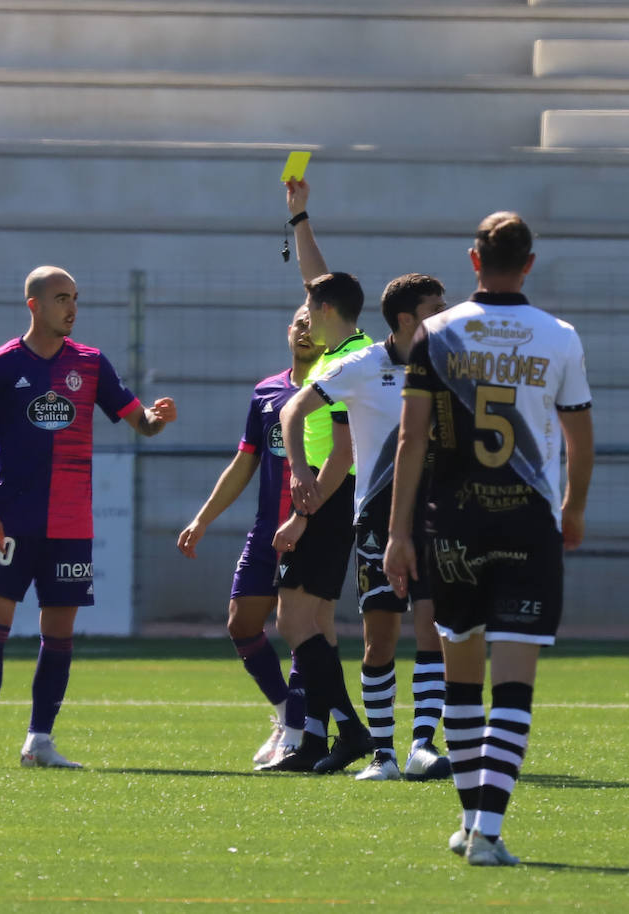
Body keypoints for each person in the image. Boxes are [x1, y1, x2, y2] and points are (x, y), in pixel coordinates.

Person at [384, 213, 594, 865]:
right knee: (515, 683)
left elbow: (411, 439)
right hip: (528, 523)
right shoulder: (558, 336)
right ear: (529, 263)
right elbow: (578, 435)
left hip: (452, 524)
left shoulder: (437, 333)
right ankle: (490, 833)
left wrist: (398, 533)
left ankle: (472, 822)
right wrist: (573, 508)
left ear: (474, 260)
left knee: (462, 681)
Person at [0, 265, 177, 769]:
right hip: (11, 521)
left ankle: (39, 741)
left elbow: (138, 422)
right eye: (61, 298)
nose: (72, 307)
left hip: (72, 524)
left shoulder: (91, 364)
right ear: (33, 304)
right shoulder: (0, 364)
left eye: (75, 297)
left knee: (58, 633)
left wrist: (157, 420)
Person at [278, 183, 452, 783]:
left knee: (432, 627)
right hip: (377, 515)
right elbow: (292, 410)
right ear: (406, 319)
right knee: (379, 637)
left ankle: (422, 745)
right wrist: (301, 471)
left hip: (438, 513)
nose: (445, 318)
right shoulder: (361, 365)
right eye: (436, 309)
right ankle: (381, 753)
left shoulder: (451, 363)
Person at [259, 184, 374, 775]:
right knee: (318, 624)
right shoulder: (349, 346)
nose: (304, 313)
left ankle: (351, 731)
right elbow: (317, 280)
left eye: (311, 308)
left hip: (331, 498)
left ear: (327, 313)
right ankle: (312, 741)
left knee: (293, 622)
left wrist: (303, 510)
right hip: (336, 499)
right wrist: (299, 215)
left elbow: (345, 450)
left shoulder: (346, 364)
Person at [176, 305, 320, 767]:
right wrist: (202, 519)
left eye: (314, 323)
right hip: (266, 531)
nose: (305, 330)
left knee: (299, 630)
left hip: (313, 527)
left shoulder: (335, 390)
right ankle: (286, 714)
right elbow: (244, 464)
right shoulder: (266, 393)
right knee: (241, 623)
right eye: (299, 322)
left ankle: (298, 733)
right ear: (288, 332)